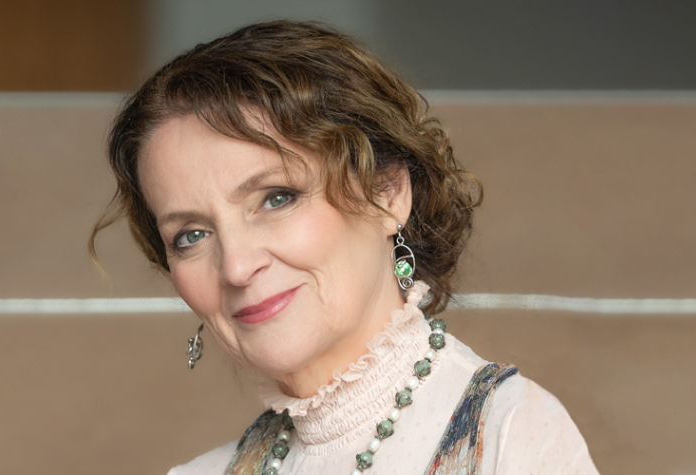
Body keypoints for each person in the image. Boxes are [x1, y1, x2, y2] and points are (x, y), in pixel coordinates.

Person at [91, 20, 599, 475]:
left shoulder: (510, 437)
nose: (237, 267)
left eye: (277, 198)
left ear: (388, 193)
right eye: (191, 235)